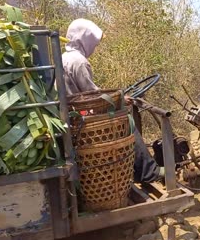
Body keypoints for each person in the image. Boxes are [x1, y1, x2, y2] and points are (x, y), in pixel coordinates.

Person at [62, 18, 164, 183]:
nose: (94, 48)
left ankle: (137, 171)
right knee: (126, 122)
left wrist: (119, 97)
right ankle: (149, 172)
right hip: (83, 115)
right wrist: (120, 99)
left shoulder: (64, 58)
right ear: (84, 39)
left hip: (73, 113)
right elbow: (93, 96)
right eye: (93, 44)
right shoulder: (79, 62)